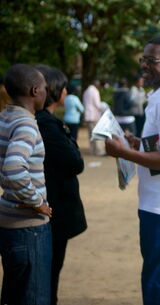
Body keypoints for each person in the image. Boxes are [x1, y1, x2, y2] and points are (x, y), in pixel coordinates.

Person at [105, 36, 160, 305]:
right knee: (157, 277)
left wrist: (124, 153)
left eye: (152, 60)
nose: (145, 65)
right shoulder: (158, 97)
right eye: (143, 59)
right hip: (156, 203)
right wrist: (138, 145)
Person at [34, 65, 87, 305]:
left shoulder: (39, 122)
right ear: (57, 91)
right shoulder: (47, 126)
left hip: (47, 208)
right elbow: (75, 162)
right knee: (48, 275)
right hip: (52, 211)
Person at [0, 64, 52, 305]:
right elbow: (13, 168)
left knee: (14, 295)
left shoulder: (5, 117)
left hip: (9, 220)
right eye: (44, 88)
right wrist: (37, 202)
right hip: (28, 227)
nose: (46, 92)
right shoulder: (26, 125)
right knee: (33, 297)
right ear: (34, 91)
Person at [83, 79, 106, 155]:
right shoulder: (95, 91)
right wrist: (105, 108)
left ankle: (92, 151)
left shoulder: (86, 91)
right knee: (96, 133)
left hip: (87, 115)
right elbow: (97, 104)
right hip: (94, 115)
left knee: (91, 134)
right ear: (96, 84)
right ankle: (98, 151)